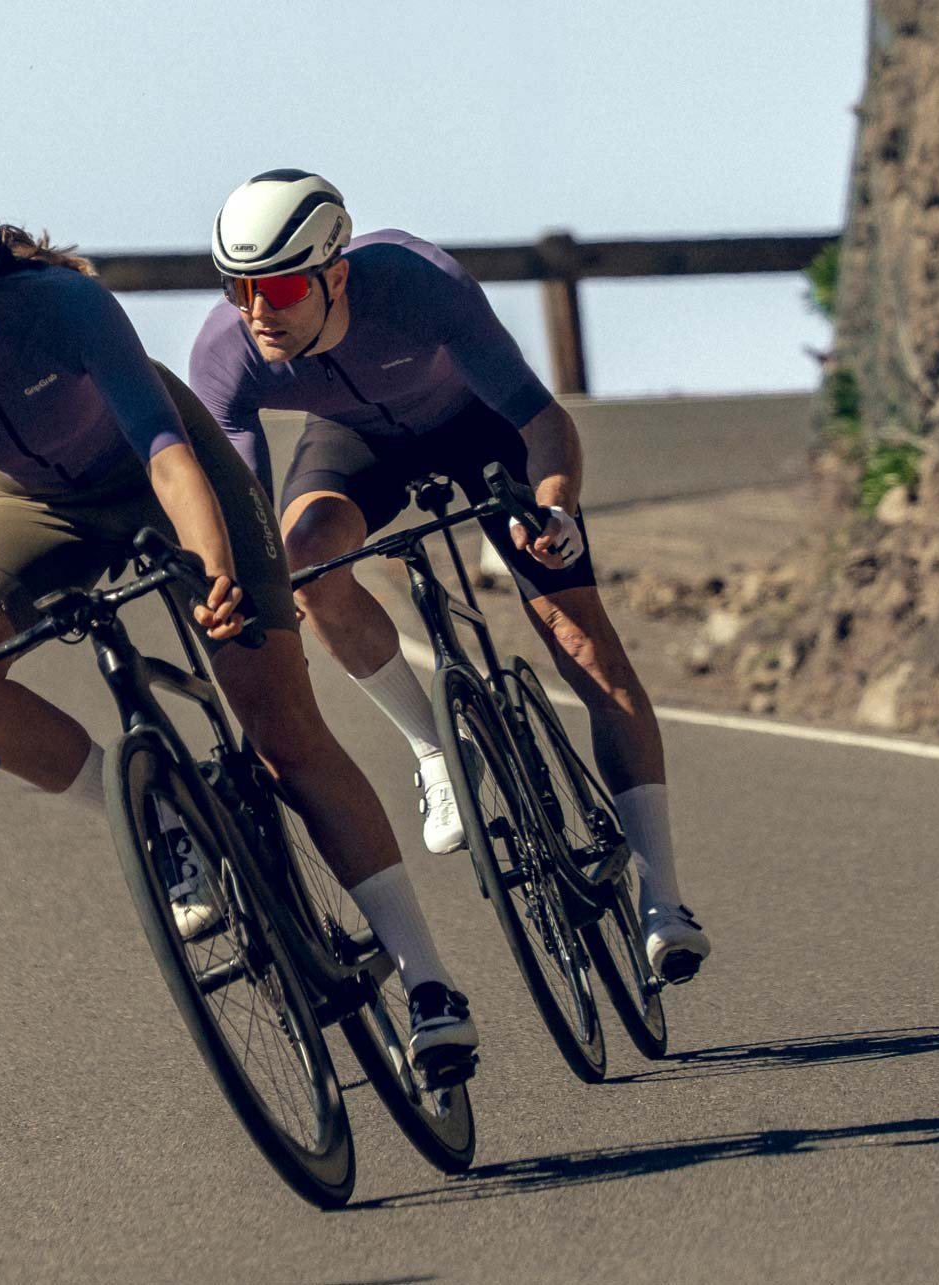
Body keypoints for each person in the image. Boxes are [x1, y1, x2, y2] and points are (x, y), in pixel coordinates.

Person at [0, 156, 478, 1069]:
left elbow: (168, 454)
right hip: (37, 504)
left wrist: (215, 569)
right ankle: (162, 820)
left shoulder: (62, 308)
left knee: (284, 732)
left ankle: (426, 980)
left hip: (167, 479)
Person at [188, 170, 710, 984]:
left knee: (580, 637)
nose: (257, 310)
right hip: (355, 441)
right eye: (238, 287)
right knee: (304, 565)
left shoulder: (420, 283)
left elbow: (540, 419)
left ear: (335, 273)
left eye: (280, 286)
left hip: (477, 425)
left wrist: (557, 508)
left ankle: (664, 897)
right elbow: (247, 518)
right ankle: (434, 745)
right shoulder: (227, 353)